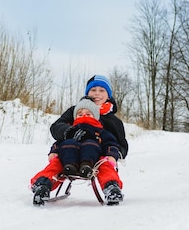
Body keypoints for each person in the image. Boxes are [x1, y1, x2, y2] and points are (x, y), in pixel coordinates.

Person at [30, 75, 128, 206]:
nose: (97, 94)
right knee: (56, 164)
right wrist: (69, 132)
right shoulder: (75, 110)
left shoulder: (113, 121)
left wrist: (113, 154)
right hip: (71, 151)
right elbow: (56, 128)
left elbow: (120, 144)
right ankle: (42, 185)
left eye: (102, 90)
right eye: (93, 90)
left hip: (98, 155)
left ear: (108, 95)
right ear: (87, 93)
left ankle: (111, 187)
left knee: (103, 166)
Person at [56, 96, 122, 179]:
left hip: (92, 159)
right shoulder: (71, 129)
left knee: (91, 144)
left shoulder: (99, 130)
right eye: (80, 114)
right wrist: (54, 151)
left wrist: (111, 154)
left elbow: (110, 142)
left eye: (88, 114)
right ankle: (43, 183)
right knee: (68, 144)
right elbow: (59, 142)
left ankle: (109, 184)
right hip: (69, 159)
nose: (84, 116)